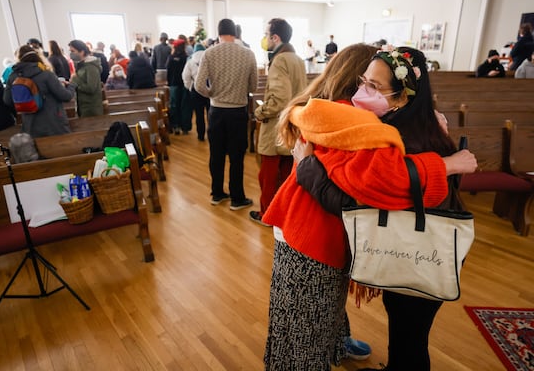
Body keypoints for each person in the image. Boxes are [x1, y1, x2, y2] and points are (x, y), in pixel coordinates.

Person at [261, 44, 477, 370]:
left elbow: (388, 184)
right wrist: (445, 164)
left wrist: (442, 165)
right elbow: (368, 185)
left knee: (397, 336)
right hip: (328, 239)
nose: (365, 91)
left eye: (374, 86)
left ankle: (336, 347)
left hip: (411, 253)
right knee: (307, 326)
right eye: (364, 81)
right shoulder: (358, 120)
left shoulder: (387, 127)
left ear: (403, 96)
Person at [195, 18, 257, 210]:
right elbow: (253, 86)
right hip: (238, 111)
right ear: (235, 33)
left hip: (216, 112)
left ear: (218, 32)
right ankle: (237, 198)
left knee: (217, 154)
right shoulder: (248, 54)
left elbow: (198, 85)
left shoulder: (209, 53)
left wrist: (212, 94)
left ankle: (217, 193)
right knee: (237, 156)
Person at [249, 18, 307, 226]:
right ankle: (282, 214)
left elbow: (279, 98)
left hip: (276, 125)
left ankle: (268, 215)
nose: (265, 39)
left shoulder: (280, 60)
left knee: (268, 175)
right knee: (285, 174)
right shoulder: (297, 59)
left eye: (266, 34)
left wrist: (260, 111)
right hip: (292, 124)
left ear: (275, 37)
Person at [3, 45, 74, 138]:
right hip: (53, 123)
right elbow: (66, 96)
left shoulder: (13, 77)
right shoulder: (46, 74)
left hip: (30, 125)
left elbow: (7, 100)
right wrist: (71, 86)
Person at [68, 39, 103, 117]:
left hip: (91, 109)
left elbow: (91, 88)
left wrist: (75, 80)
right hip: (83, 106)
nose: (71, 54)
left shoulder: (91, 67)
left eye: (73, 51)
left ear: (82, 52)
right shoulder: (81, 65)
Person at [182, 42, 210, 141]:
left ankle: (201, 135)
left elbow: (185, 76)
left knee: (199, 114)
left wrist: (190, 87)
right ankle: (211, 134)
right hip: (209, 89)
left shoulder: (190, 61)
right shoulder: (209, 58)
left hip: (196, 90)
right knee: (210, 113)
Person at [166, 39, 190, 134]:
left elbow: (168, 72)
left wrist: (169, 83)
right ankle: (185, 127)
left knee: (174, 106)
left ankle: (175, 126)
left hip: (174, 84)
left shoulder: (171, 58)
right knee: (185, 106)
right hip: (184, 85)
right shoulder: (186, 58)